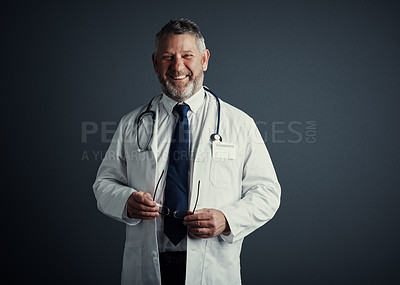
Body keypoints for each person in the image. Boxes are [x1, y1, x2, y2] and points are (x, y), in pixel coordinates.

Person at [93, 18, 281, 285]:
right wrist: (125, 200)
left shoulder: (239, 124)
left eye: (187, 56)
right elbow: (103, 184)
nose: (177, 66)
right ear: (155, 63)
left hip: (212, 264)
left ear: (204, 60)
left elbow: (268, 192)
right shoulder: (131, 124)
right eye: (168, 57)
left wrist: (227, 219)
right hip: (148, 264)